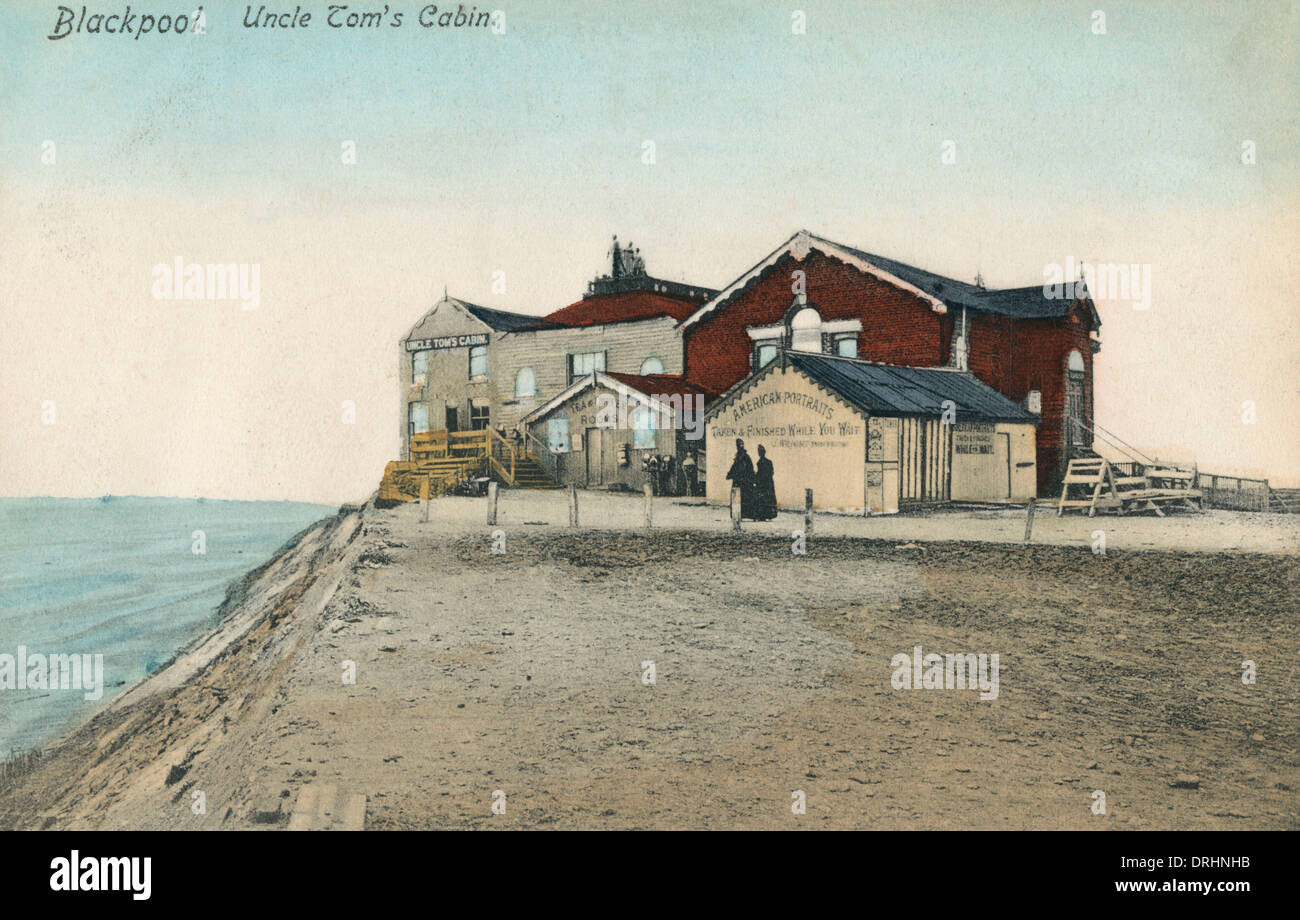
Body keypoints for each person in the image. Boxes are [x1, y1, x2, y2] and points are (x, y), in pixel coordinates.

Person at [726, 438, 756, 519]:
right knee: (743, 497)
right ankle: (742, 515)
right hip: (743, 480)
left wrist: (730, 474)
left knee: (740, 497)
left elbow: (738, 468)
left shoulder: (741, 456)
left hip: (740, 480)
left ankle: (740, 515)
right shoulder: (744, 456)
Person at [754, 445, 777, 521]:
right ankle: (768, 516)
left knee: (762, 499)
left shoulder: (760, 462)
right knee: (768, 499)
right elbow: (772, 472)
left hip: (762, 483)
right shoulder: (769, 462)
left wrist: (756, 478)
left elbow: (760, 474)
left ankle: (762, 516)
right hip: (769, 483)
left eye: (759, 451)